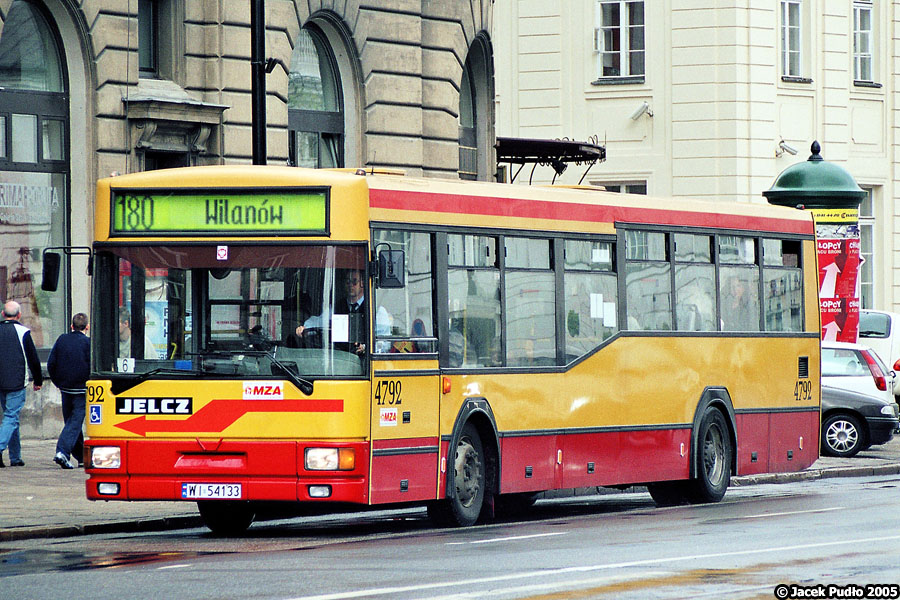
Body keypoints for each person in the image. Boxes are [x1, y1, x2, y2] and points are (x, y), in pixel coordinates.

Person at [0, 300, 43, 468]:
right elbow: (33, 358)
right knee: (11, 417)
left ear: (3, 314)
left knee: (11, 418)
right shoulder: (23, 332)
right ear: (19, 315)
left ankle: (15, 456)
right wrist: (38, 380)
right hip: (16, 381)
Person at [47, 312, 90, 469]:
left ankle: (81, 457)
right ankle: (62, 452)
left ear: (71, 326)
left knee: (71, 421)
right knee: (74, 422)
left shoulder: (61, 340)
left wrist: (58, 382)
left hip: (65, 388)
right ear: (87, 327)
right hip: (81, 389)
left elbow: (51, 363)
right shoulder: (88, 343)